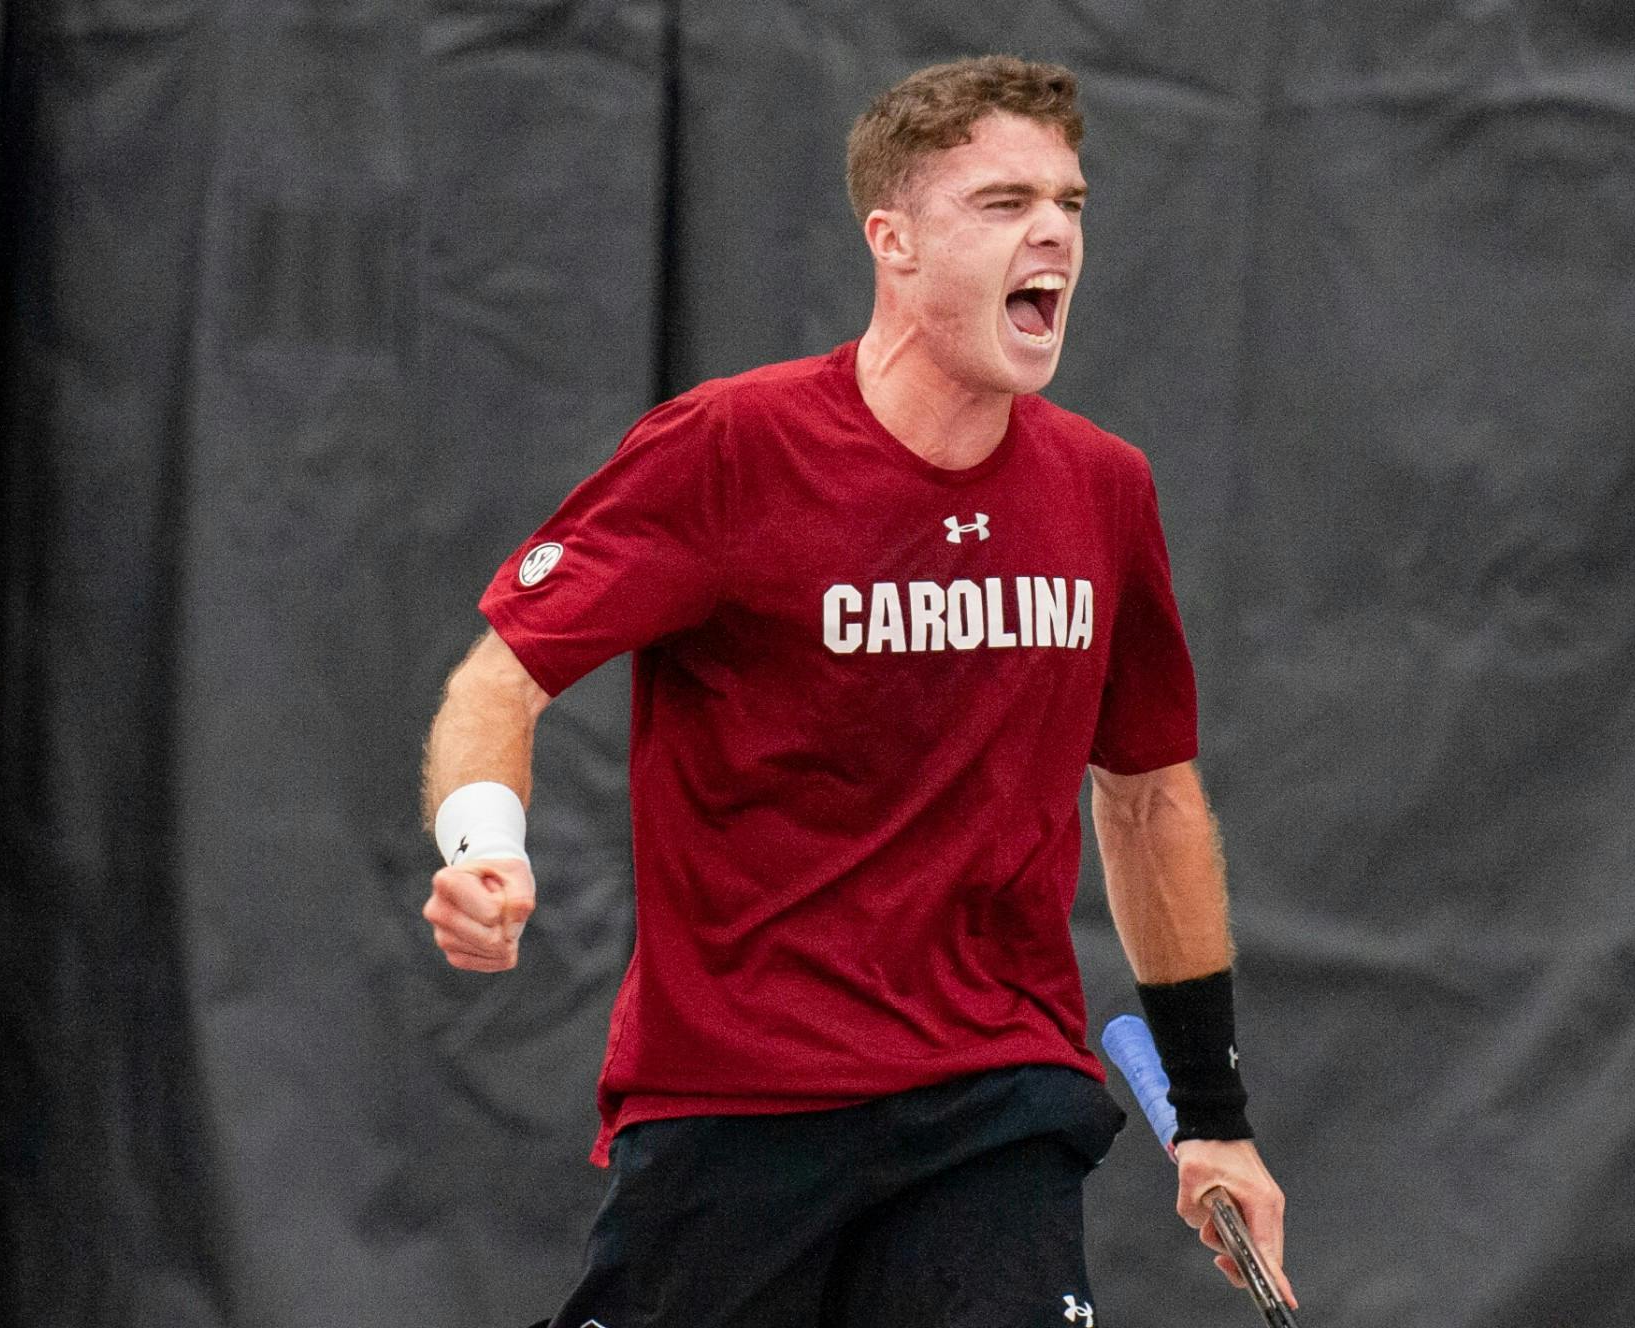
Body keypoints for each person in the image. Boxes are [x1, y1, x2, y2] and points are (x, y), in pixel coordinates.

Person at [419, 54, 1293, 1328]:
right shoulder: (730, 448)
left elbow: (1150, 798)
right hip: (738, 1101)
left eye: (1069, 202)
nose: (1051, 228)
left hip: (994, 1092)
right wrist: (482, 845)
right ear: (891, 240)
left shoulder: (1104, 489)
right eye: (1001, 203)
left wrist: (1214, 1116)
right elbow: (503, 671)